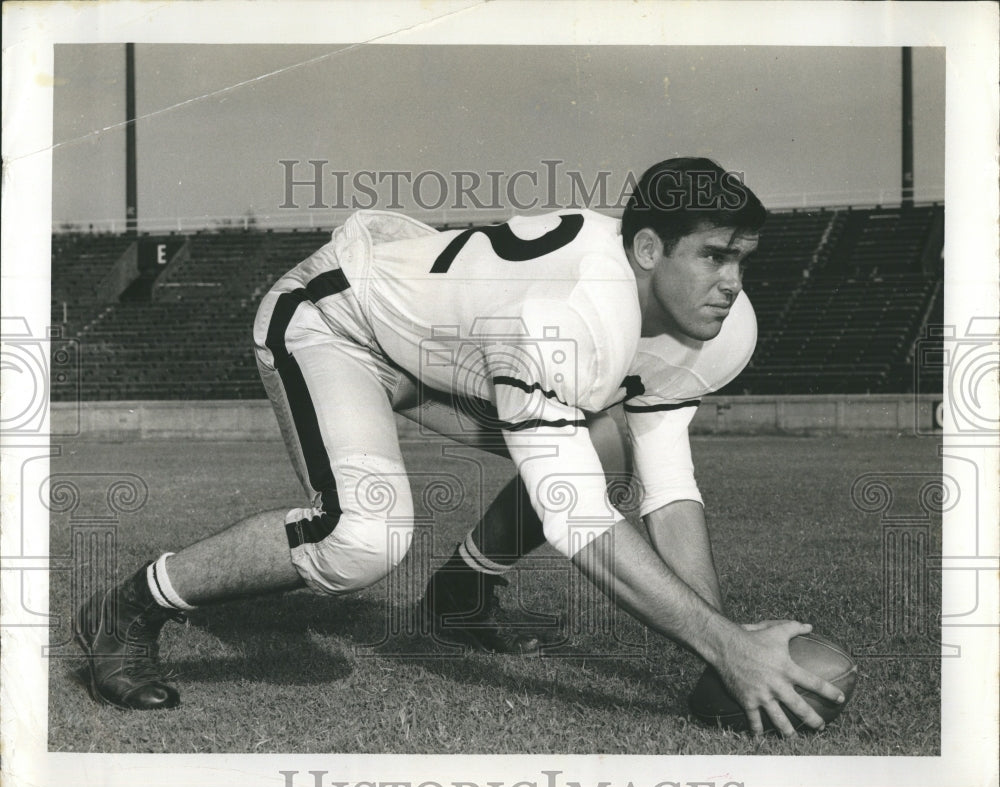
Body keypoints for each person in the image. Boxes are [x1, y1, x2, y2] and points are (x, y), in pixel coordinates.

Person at [74, 157, 846, 737]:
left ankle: (462, 595)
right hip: (340, 322)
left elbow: (670, 490)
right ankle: (131, 604)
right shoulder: (570, 313)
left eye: (742, 256)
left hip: (453, 350)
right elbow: (575, 517)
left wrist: (721, 646)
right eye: (713, 255)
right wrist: (724, 645)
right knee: (361, 539)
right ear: (648, 249)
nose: (732, 281)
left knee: (608, 443)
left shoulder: (710, 330)